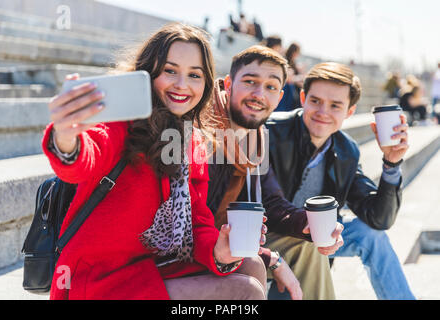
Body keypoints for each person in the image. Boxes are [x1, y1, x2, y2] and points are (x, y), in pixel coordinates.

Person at [42, 23, 267, 300]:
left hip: (154, 266)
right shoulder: (122, 125)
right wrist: (65, 136)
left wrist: (220, 251)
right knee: (243, 291)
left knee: (251, 264)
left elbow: (197, 223)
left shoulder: (192, 140)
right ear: (148, 74)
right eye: (170, 71)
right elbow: (83, 159)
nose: (182, 85)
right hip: (100, 278)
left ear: (206, 83)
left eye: (194, 75)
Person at [202, 46, 344, 300]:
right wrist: (271, 258)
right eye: (250, 82)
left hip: (232, 240)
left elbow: (271, 201)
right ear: (228, 84)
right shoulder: (202, 132)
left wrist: (307, 225)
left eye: (270, 87)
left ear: (279, 97)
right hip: (202, 246)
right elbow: (194, 224)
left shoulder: (256, 137)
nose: (259, 94)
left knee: (307, 246)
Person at [265, 62, 415, 300]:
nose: (323, 111)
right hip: (273, 239)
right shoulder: (270, 132)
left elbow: (378, 218)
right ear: (303, 97)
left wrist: (391, 164)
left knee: (371, 236)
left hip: (319, 241)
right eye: (315, 101)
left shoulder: (347, 150)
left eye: (335, 105)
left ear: (349, 112)